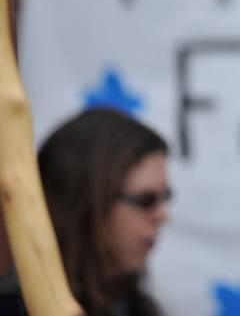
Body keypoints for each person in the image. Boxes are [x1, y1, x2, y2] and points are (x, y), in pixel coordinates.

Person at [0, 107, 171, 316]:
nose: (163, 216)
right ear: (87, 203)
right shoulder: (15, 304)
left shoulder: (132, 306)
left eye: (166, 196)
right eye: (146, 200)